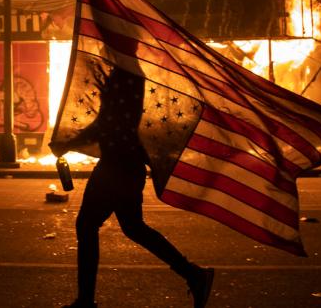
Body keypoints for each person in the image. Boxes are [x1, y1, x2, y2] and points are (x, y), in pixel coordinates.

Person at [50, 65, 215, 308]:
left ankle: (86, 301)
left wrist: (69, 143)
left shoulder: (126, 74)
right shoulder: (128, 72)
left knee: (87, 225)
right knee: (133, 227)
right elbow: (108, 122)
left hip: (117, 166)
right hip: (125, 165)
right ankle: (193, 275)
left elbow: (108, 123)